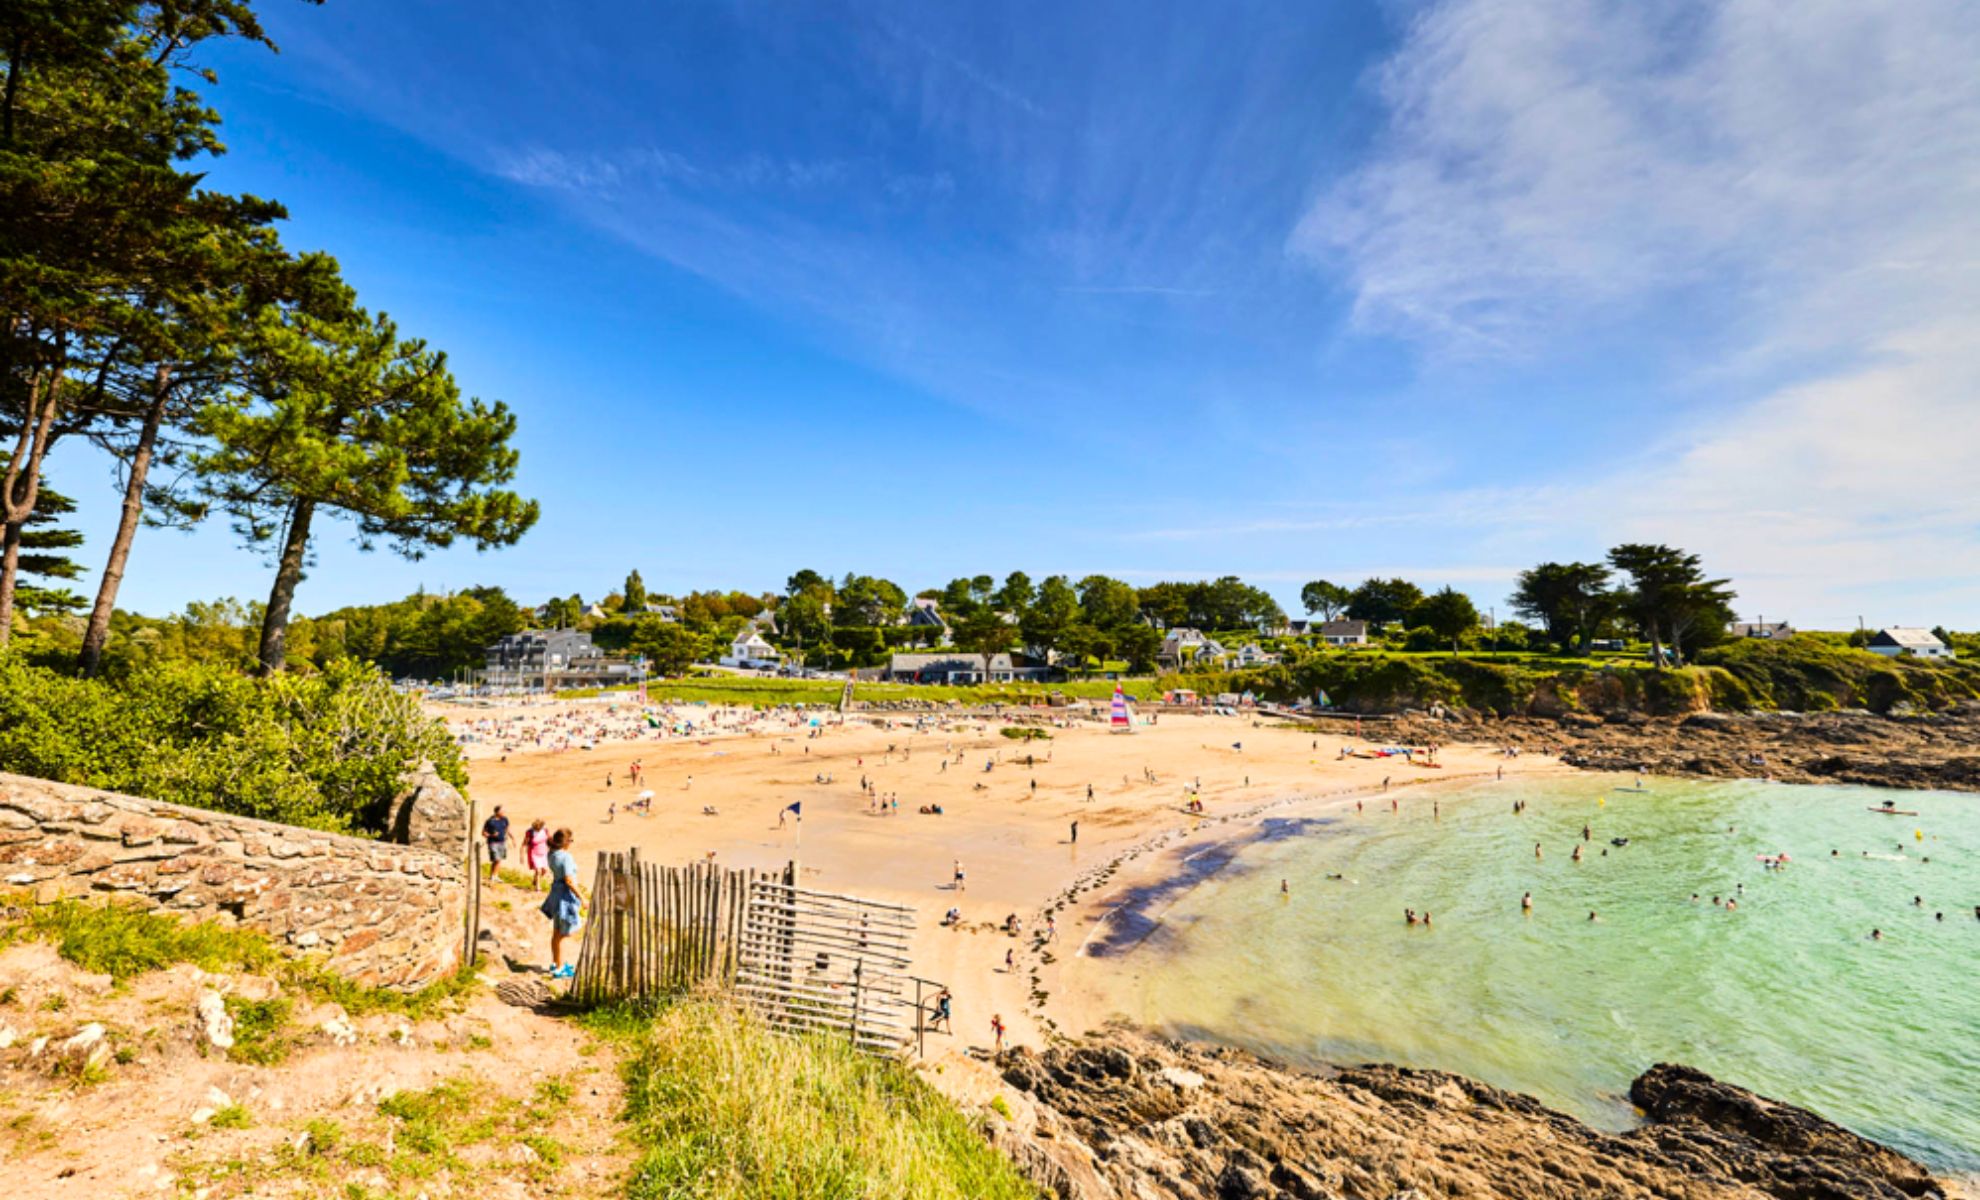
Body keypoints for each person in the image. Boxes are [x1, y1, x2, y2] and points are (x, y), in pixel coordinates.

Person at [542, 828, 587, 980]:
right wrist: (582, 898)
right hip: (564, 897)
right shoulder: (565, 857)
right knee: (562, 934)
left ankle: (556, 963)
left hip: (555, 893)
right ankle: (559, 969)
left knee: (556, 932)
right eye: (571, 840)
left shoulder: (551, 854)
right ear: (566, 841)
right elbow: (569, 880)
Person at [482, 806, 511, 880]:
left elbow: (507, 829)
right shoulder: (490, 821)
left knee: (499, 859)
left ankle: (495, 875)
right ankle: (493, 875)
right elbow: (483, 833)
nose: (504, 813)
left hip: (502, 842)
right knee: (496, 859)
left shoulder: (505, 819)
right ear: (497, 812)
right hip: (493, 842)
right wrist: (491, 835)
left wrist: (510, 839)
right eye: (502, 811)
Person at [522, 819, 551, 891]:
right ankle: (538, 887)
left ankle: (535, 880)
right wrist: (521, 855)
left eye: (539, 828)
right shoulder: (530, 832)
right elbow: (524, 844)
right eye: (536, 828)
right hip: (534, 853)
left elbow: (550, 839)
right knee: (538, 870)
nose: (537, 829)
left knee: (544, 871)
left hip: (543, 853)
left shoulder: (545, 830)